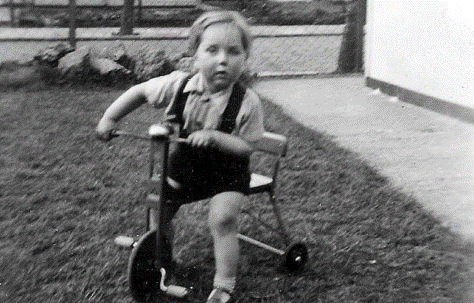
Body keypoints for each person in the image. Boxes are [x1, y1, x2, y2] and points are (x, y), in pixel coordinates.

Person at [96, 10, 264, 303]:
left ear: (245, 58)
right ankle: (161, 258)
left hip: (227, 174)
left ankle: (224, 284)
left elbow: (246, 148)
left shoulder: (247, 102)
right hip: (185, 170)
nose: (222, 59)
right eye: (212, 50)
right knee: (158, 209)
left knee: (223, 219)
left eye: (233, 51)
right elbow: (138, 92)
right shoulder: (178, 85)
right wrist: (109, 119)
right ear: (195, 55)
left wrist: (214, 137)